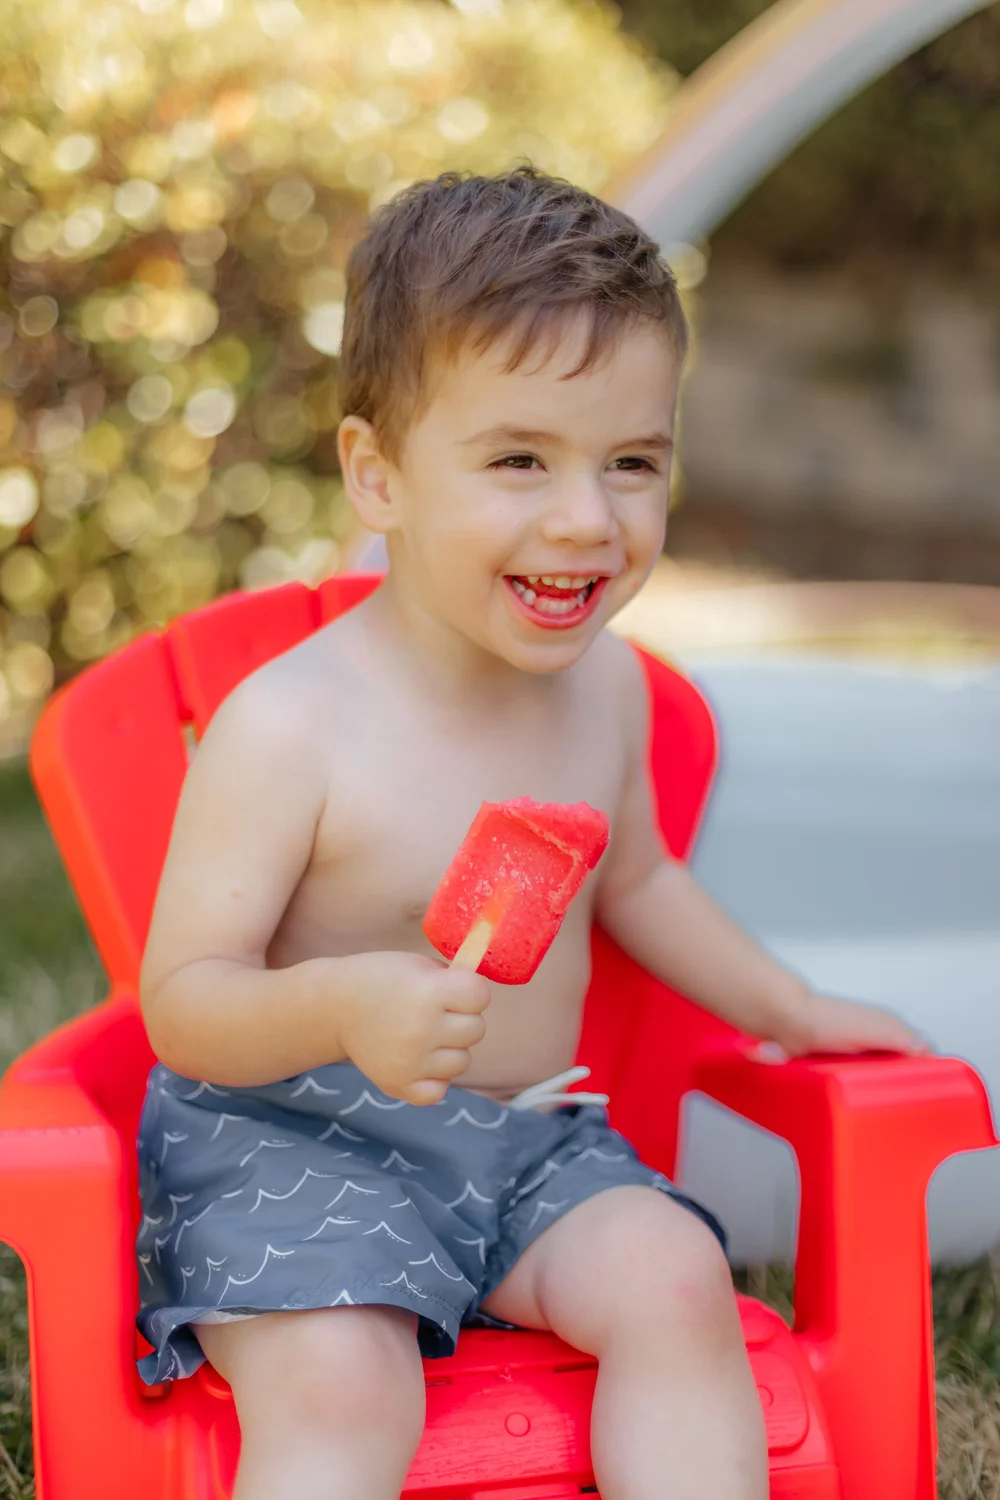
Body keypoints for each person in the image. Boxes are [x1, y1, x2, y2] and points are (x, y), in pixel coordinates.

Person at [136, 167, 927, 1500]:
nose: (587, 519)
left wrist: (787, 1003)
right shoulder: (291, 726)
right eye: (520, 460)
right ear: (377, 475)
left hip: (529, 1137)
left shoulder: (607, 688)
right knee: (343, 1387)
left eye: (633, 463)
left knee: (676, 1282)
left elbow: (642, 880)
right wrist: (352, 1004)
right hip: (301, 1142)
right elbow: (184, 1003)